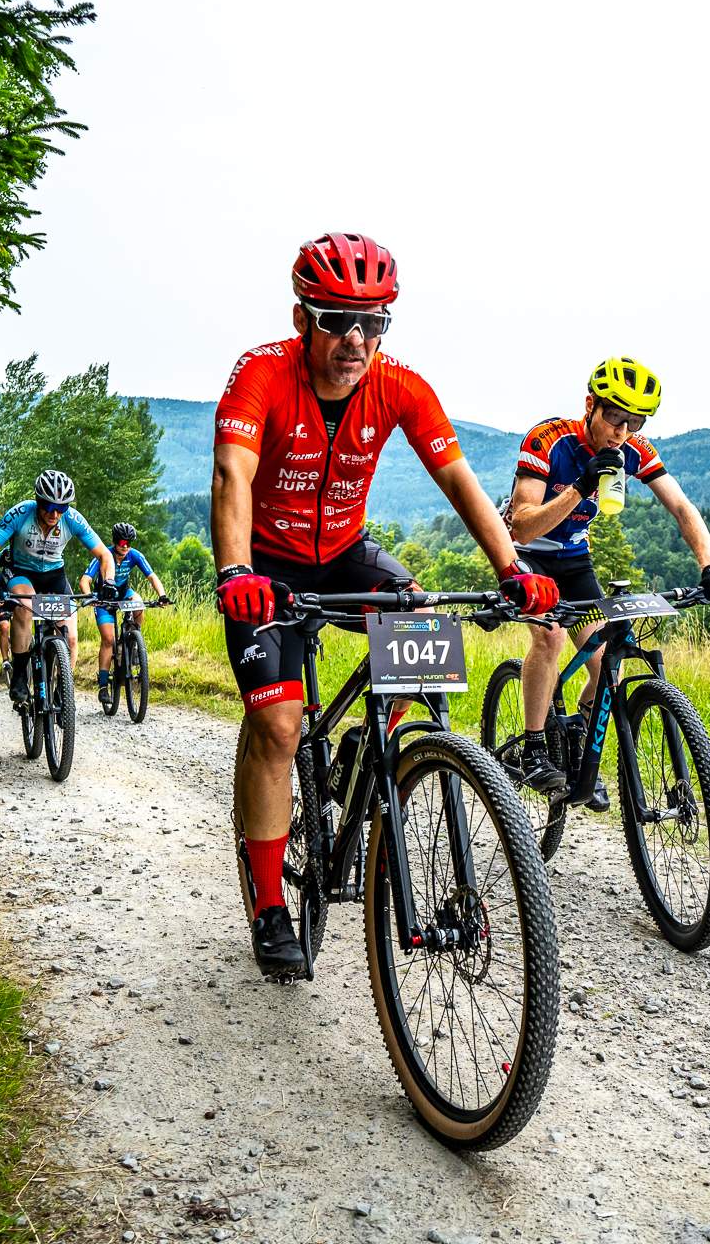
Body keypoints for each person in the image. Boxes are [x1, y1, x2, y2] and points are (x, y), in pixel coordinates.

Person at [211, 231, 557, 977]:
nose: (356, 339)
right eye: (338, 320)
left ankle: (375, 755)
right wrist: (235, 569)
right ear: (302, 319)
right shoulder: (261, 372)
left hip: (343, 550)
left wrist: (512, 565)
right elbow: (231, 475)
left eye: (373, 323)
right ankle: (269, 902)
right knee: (278, 724)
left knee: (422, 629)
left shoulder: (400, 385)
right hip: (264, 565)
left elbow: (459, 480)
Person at [504, 357, 710, 807]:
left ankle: (578, 744)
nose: (621, 432)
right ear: (590, 405)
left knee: (605, 659)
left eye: (635, 422)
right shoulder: (549, 439)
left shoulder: (634, 449)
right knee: (550, 637)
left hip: (574, 559)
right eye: (614, 417)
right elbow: (522, 526)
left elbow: (681, 507)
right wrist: (580, 485)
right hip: (526, 555)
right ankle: (533, 749)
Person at [0, 470, 116, 704]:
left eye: (61, 508)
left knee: (71, 638)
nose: (54, 513)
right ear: (38, 501)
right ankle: (20, 675)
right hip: (22, 572)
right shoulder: (22, 513)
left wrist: (109, 581)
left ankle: (62, 688)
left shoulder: (72, 518)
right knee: (24, 605)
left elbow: (104, 555)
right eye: (49, 506)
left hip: (54, 575)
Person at [79, 522, 171, 697]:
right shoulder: (104, 554)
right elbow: (85, 580)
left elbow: (152, 577)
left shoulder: (134, 555)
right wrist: (89, 597)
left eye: (129, 543)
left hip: (123, 594)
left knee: (138, 602)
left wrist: (162, 595)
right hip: (103, 599)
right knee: (108, 640)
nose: (126, 547)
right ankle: (103, 686)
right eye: (122, 543)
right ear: (115, 542)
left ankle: (132, 642)